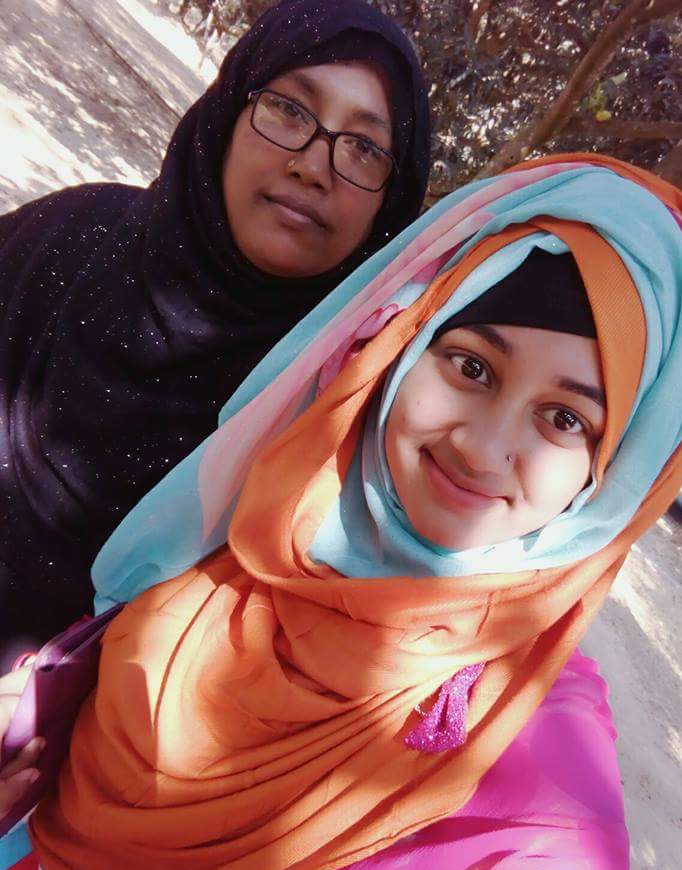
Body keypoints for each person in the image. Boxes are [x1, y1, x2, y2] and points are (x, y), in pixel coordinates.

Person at [0, 154, 682, 870]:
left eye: (565, 420)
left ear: (614, 478)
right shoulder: (255, 503)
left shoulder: (525, 727)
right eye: (472, 367)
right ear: (404, 346)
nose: (484, 449)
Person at [0, 0, 430, 660]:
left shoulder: (333, 424)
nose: (313, 166)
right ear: (229, 112)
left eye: (365, 148)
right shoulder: (67, 239)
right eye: (289, 109)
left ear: (390, 204)